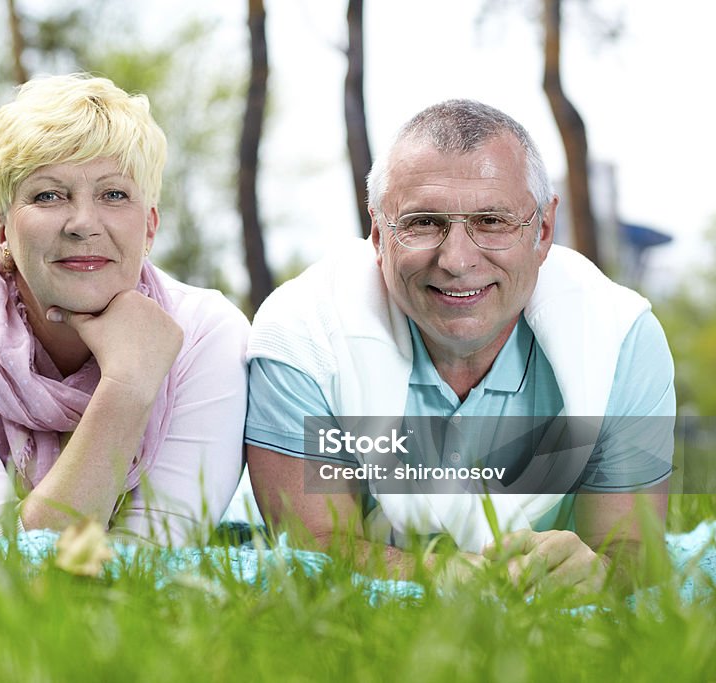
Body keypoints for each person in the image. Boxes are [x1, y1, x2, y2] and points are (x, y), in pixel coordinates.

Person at [245, 99, 674, 592]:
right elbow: (313, 546)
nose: (456, 259)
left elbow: (634, 552)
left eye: (492, 221)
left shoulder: (619, 337)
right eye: (423, 222)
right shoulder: (303, 334)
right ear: (379, 234)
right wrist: (443, 575)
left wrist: (597, 573)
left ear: (544, 231)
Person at [0, 73, 249, 551]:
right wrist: (127, 386)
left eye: (114, 194)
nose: (83, 224)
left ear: (150, 226)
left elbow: (151, 562)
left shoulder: (206, 333)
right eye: (48, 195)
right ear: (1, 230)